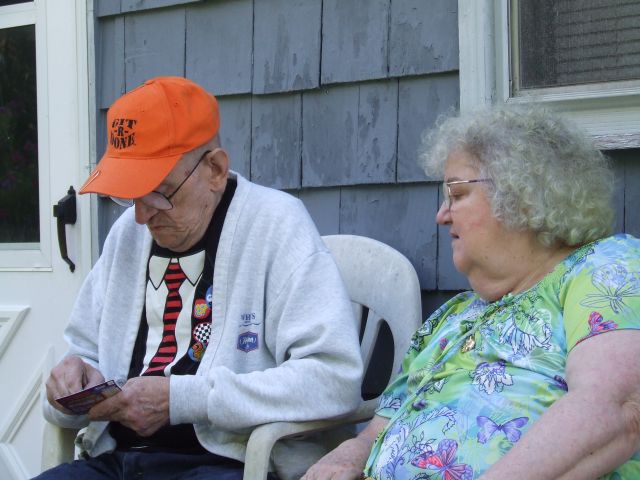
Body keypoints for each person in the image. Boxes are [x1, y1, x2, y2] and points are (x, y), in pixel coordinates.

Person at [38, 76, 363, 480]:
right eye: (130, 194)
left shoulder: (276, 225)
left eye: (159, 192)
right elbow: (84, 354)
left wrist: (183, 399)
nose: (141, 215)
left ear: (215, 169)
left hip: (227, 463)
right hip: (117, 460)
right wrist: (70, 385)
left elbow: (333, 378)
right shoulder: (128, 234)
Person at [302, 105, 640, 479]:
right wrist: (349, 453)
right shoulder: (455, 314)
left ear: (523, 197)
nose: (441, 215)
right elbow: (381, 425)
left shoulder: (604, 268)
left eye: (457, 194)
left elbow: (616, 408)